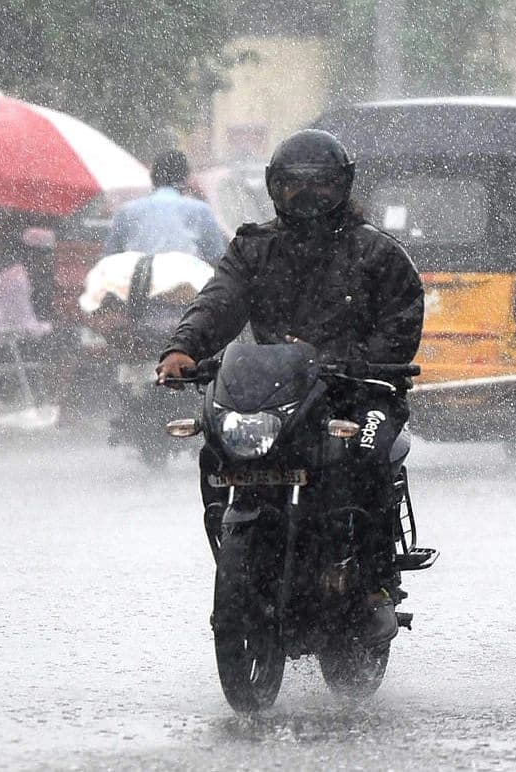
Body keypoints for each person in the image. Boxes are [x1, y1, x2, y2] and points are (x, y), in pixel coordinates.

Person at [156, 129, 424, 644]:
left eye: (320, 185)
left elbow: (402, 321)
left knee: (364, 457)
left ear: (342, 186)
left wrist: (360, 362)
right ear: (274, 189)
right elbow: (219, 300)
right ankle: (247, 565)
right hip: (277, 395)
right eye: (292, 185)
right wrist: (184, 347)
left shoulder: (376, 253)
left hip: (361, 393)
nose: (307, 197)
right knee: (216, 452)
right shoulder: (254, 248)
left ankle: (371, 587)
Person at [105, 150, 226, 264]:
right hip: (184, 278)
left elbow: (112, 253)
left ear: (153, 177)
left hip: (137, 278)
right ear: (185, 179)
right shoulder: (201, 210)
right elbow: (215, 255)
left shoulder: (127, 210)